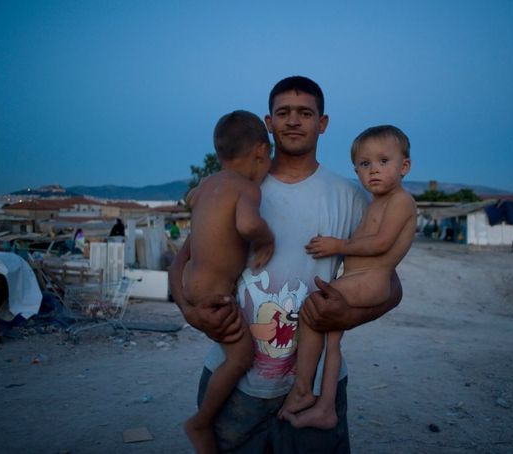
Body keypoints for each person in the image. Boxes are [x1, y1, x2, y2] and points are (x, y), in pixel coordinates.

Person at [169, 76, 402, 452]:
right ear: (269, 122)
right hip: (237, 386)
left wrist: (348, 314)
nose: (294, 120)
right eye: (284, 113)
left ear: (322, 123)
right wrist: (191, 312)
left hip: (311, 390)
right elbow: (181, 263)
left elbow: (390, 286)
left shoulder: (353, 198)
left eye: (305, 112)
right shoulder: (235, 188)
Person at [279, 125, 417, 429]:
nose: (374, 171)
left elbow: (381, 243)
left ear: (404, 166)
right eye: (365, 165)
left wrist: (337, 245)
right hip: (359, 278)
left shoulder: (401, 201)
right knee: (332, 340)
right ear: (356, 170)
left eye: (384, 161)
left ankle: (303, 388)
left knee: (313, 309)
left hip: (371, 279)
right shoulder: (376, 202)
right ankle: (326, 406)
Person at [180, 110, 275, 453]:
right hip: (214, 294)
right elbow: (249, 226)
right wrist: (267, 239)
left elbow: (190, 198)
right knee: (241, 357)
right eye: (268, 161)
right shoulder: (247, 188)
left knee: (233, 352)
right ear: (261, 153)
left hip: (193, 282)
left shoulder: (207, 185)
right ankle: (201, 421)